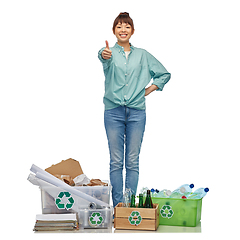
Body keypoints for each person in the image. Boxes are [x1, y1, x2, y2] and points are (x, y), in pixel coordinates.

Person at [98, 12, 171, 208]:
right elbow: (103, 58)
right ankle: (118, 207)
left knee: (132, 160)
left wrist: (148, 90)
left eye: (127, 26)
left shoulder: (143, 55)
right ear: (114, 31)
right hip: (113, 111)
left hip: (137, 112)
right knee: (116, 161)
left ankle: (129, 207)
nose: (123, 30)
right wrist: (104, 55)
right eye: (119, 26)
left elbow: (164, 74)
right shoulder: (109, 53)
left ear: (133, 31)